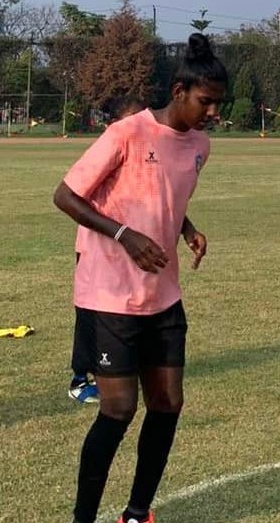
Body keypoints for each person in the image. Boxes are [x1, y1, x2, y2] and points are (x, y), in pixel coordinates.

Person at [54, 33, 226, 523]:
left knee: (168, 402)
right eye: (205, 101)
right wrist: (124, 235)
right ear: (178, 91)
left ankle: (137, 512)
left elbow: (164, 195)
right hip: (109, 295)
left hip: (163, 294)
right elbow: (65, 196)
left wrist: (187, 229)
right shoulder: (127, 133)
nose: (213, 112)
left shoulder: (200, 146)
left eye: (218, 103)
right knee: (118, 409)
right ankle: (83, 518)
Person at [69, 95, 147, 404]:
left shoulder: (144, 157)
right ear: (113, 125)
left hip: (127, 250)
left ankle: (121, 367)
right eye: (132, 120)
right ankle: (80, 378)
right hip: (96, 249)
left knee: (127, 311)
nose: (140, 127)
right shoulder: (105, 152)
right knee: (92, 314)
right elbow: (70, 196)